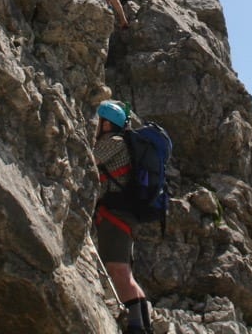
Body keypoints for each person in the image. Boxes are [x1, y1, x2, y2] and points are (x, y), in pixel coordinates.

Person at [94, 100, 154, 334]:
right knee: (123, 271)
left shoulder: (114, 142)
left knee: (117, 269)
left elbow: (90, 160)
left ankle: (137, 327)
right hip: (124, 215)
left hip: (114, 215)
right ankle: (143, 324)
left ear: (106, 124)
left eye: (99, 121)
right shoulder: (124, 143)